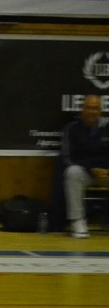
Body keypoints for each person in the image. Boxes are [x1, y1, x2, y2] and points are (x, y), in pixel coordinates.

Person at [61, 94, 109, 239]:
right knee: (72, 172)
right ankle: (78, 221)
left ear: (100, 111)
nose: (92, 111)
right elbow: (69, 158)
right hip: (86, 173)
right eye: (89, 108)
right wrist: (92, 169)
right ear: (82, 110)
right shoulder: (72, 129)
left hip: (107, 173)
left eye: (95, 108)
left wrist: (106, 170)